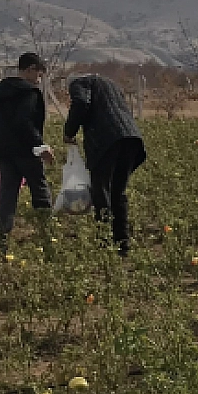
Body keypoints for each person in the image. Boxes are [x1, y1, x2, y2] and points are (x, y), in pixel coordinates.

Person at [64, 73, 148, 256]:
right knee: (118, 191)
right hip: (131, 138)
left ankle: (104, 241)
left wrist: (69, 132)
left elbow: (81, 104)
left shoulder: (79, 82)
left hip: (107, 140)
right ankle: (122, 243)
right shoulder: (110, 83)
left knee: (100, 189)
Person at [0, 53, 53, 249]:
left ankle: (1, 242)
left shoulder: (0, 91)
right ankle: (48, 236)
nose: (39, 79)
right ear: (29, 69)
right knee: (40, 190)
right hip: (26, 151)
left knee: (7, 195)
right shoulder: (29, 93)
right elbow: (24, 122)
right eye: (38, 73)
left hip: (4, 154)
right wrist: (39, 146)